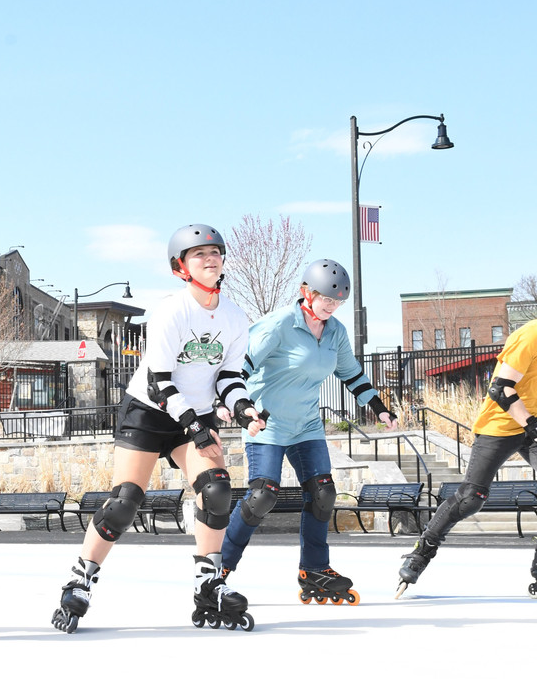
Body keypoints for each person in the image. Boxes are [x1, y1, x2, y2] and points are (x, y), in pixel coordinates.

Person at [50, 223, 267, 634]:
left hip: (194, 415)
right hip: (149, 411)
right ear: (179, 268)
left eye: (214, 252)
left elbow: (229, 378)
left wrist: (244, 409)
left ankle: (209, 585)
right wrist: (196, 426)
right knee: (125, 501)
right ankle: (81, 578)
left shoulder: (236, 317)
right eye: (198, 254)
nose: (209, 258)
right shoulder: (171, 310)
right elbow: (159, 381)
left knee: (217, 489)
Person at [219, 259, 398, 606]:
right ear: (306, 293)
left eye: (338, 302)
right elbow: (240, 365)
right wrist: (235, 405)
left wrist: (379, 407)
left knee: (323, 493)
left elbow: (351, 373)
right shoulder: (279, 324)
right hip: (266, 423)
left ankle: (314, 568)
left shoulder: (336, 332)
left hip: (306, 425)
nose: (331, 307)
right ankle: (219, 568)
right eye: (326, 300)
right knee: (262, 497)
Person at [397, 319, 537, 598]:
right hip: (501, 425)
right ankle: (422, 550)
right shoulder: (530, 336)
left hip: (532, 427)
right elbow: (500, 388)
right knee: (471, 497)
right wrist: (531, 424)